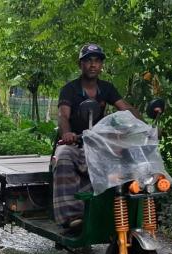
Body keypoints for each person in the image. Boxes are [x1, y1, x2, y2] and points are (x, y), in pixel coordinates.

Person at [53, 43, 142, 231]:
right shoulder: (70, 89)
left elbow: (124, 108)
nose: (93, 65)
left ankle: (121, 210)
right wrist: (67, 133)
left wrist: (144, 126)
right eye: (88, 61)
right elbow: (63, 115)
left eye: (97, 61)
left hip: (98, 143)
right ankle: (72, 216)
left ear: (101, 65)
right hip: (75, 143)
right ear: (81, 65)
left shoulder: (106, 88)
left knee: (128, 157)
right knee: (63, 157)